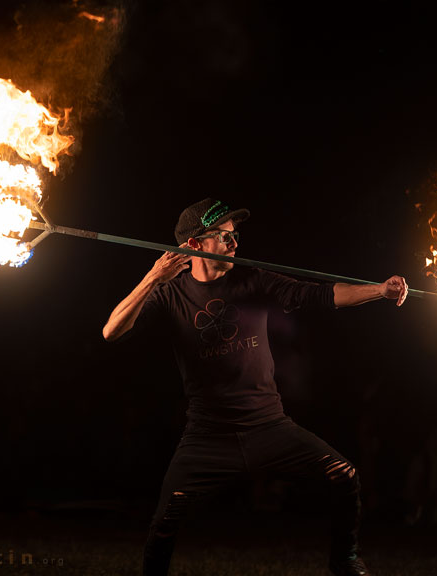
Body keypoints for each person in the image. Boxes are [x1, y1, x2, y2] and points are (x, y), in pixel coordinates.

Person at [103, 198, 408, 576]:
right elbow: (111, 331)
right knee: (167, 519)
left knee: (344, 475)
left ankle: (344, 560)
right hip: (207, 435)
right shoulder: (169, 294)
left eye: (234, 235)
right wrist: (152, 278)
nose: (234, 244)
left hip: (268, 426)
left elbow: (321, 294)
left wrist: (378, 290)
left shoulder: (254, 279)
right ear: (194, 245)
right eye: (222, 236)